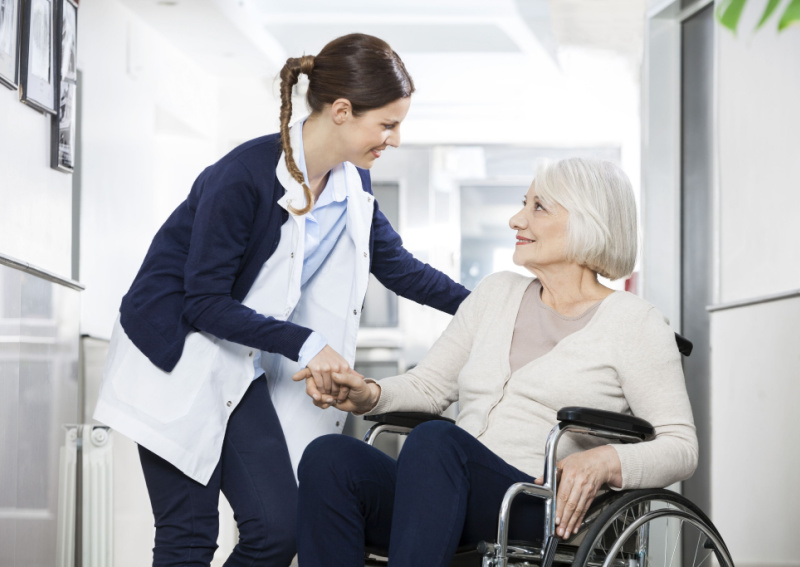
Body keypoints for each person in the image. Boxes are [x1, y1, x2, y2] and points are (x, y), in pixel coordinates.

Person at [93, 33, 469, 567]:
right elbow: (202, 301)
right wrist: (307, 344)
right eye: (387, 123)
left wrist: (490, 307)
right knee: (189, 537)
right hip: (172, 357)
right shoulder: (243, 176)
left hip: (233, 362)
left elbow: (401, 269)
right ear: (342, 111)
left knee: (279, 529)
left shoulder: (351, 185)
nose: (396, 139)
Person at [294, 157, 698, 567]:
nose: (516, 220)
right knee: (331, 458)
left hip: (535, 504)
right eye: (524, 204)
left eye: (538, 208)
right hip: (440, 490)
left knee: (436, 441)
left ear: (587, 222)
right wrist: (368, 393)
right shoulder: (495, 294)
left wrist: (607, 460)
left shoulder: (634, 322)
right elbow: (430, 386)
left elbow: (681, 447)